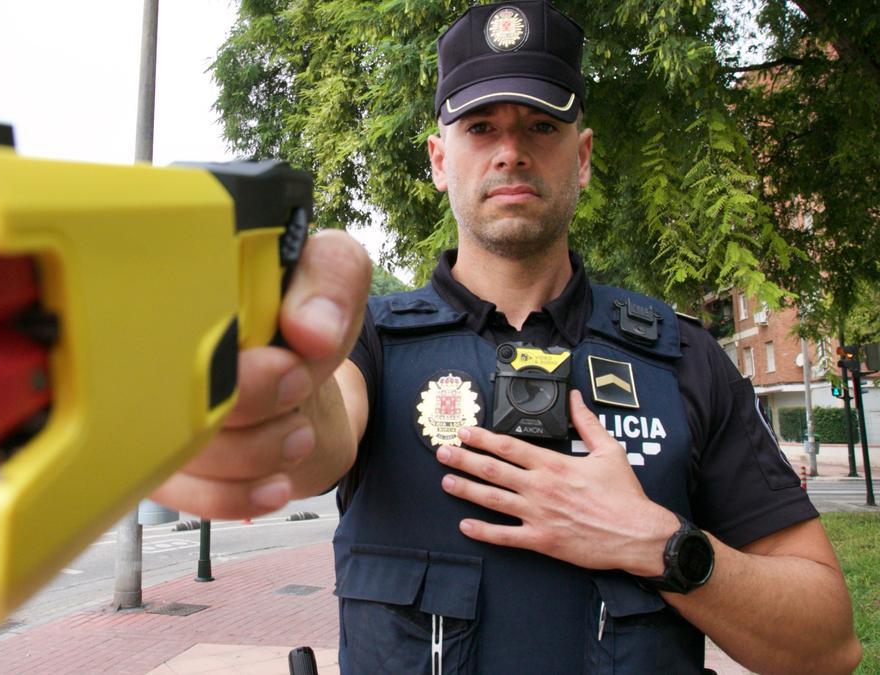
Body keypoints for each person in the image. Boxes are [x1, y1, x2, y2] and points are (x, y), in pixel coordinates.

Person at [152, 1, 862, 672]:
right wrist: (273, 389)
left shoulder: (684, 359)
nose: (511, 151)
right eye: (481, 127)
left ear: (581, 157)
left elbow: (829, 644)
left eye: (541, 127)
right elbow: (318, 436)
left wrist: (661, 545)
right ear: (438, 159)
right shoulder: (368, 344)